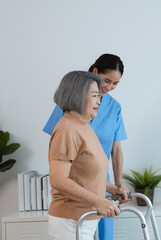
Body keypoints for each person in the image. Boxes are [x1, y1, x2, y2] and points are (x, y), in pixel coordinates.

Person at [43, 54, 129, 240]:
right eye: (95, 95)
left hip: (86, 215)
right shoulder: (67, 128)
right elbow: (59, 178)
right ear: (78, 96)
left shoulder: (85, 125)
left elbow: (84, 173)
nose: (100, 100)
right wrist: (98, 200)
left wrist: (113, 188)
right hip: (71, 216)